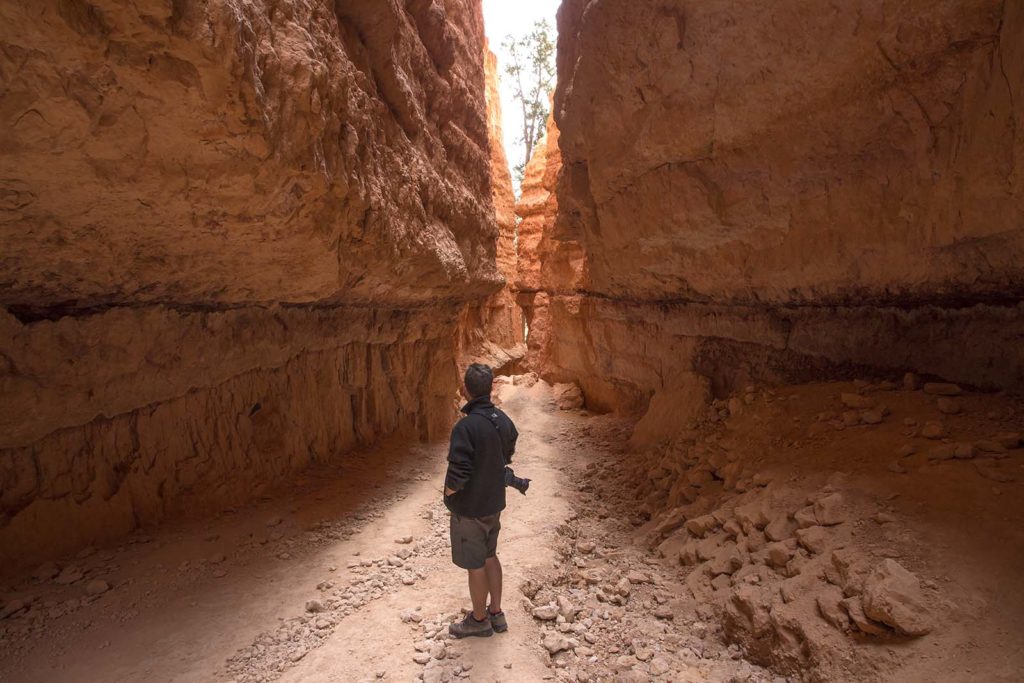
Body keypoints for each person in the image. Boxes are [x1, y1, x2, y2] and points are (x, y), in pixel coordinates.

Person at [444, 363, 519, 638]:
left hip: (471, 508)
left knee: (475, 565)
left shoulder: (465, 427)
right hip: (493, 504)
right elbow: (509, 449)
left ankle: (478, 620)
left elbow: (458, 472)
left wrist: (449, 494)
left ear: (466, 390)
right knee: (490, 555)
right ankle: (496, 613)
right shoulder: (502, 420)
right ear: (491, 387)